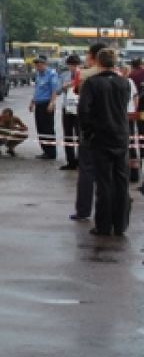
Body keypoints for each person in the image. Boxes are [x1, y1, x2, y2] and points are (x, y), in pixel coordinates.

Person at [79, 48, 133, 236]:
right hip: (121, 135)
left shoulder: (92, 83)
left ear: (98, 62)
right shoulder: (124, 83)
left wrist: (88, 132)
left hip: (101, 136)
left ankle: (103, 224)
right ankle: (120, 224)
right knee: (121, 181)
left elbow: (84, 111)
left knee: (104, 182)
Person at [72, 42, 107, 222]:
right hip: (113, 130)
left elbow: (77, 92)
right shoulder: (120, 76)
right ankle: (108, 211)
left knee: (86, 169)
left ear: (93, 56)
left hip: (90, 129)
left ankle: (83, 210)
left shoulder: (85, 75)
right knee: (108, 173)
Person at [28, 55, 61, 160]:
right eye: (36, 64)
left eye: (40, 64)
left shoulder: (51, 74)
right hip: (39, 104)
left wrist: (52, 103)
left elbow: (54, 90)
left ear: (45, 64)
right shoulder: (39, 75)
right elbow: (38, 90)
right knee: (40, 128)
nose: (38, 66)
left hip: (47, 104)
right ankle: (45, 151)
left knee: (48, 129)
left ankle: (51, 152)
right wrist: (32, 102)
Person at [59, 54, 82, 169]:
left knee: (80, 135)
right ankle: (70, 161)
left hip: (79, 108)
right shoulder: (64, 75)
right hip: (67, 108)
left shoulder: (83, 74)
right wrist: (64, 87)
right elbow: (59, 89)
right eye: (71, 65)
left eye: (75, 65)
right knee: (68, 135)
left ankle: (80, 160)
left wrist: (74, 84)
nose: (73, 67)